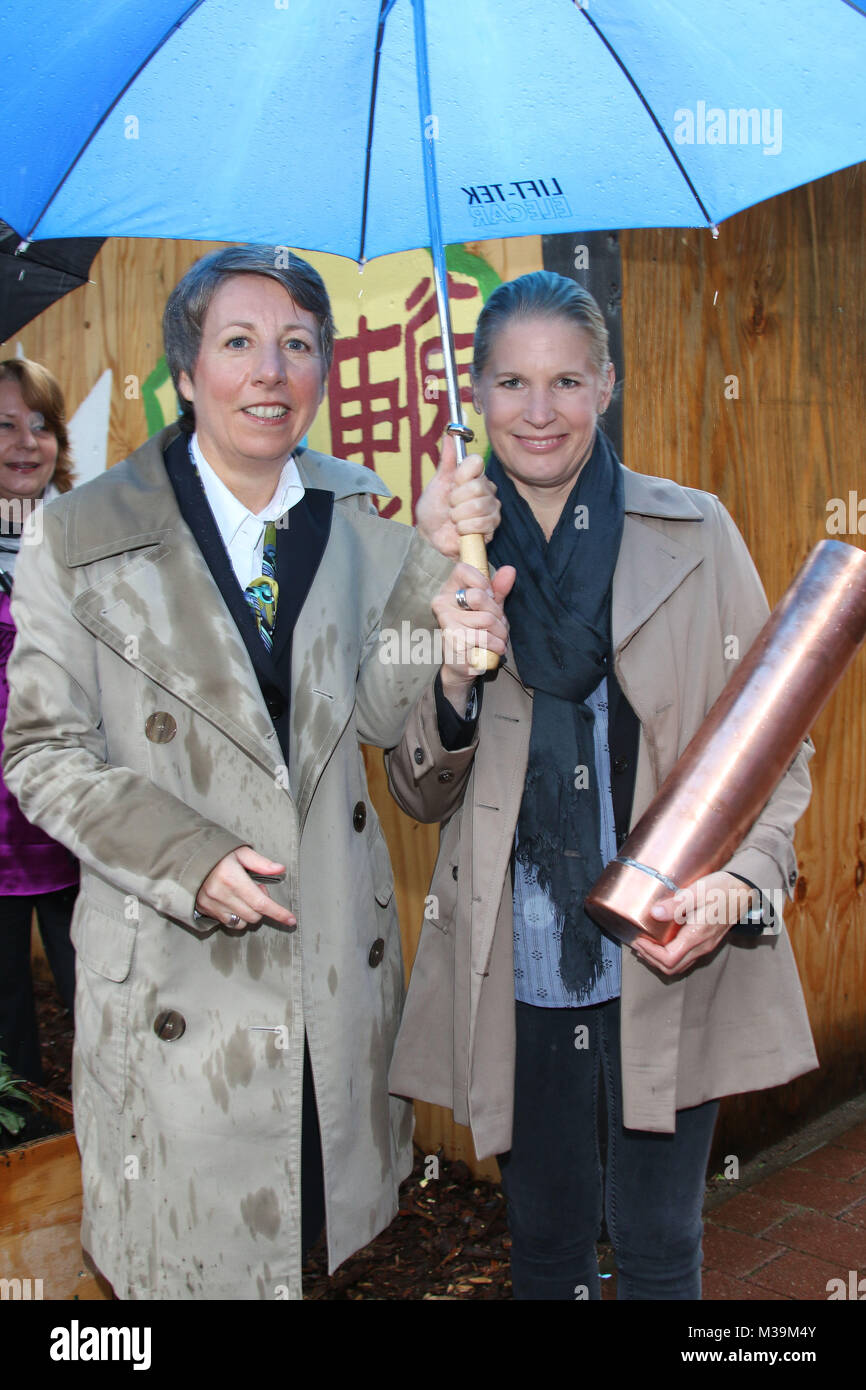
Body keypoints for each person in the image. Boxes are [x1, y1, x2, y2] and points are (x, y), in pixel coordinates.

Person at [2, 245, 509, 1299]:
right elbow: (41, 754)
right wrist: (187, 859)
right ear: (184, 371)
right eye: (236, 343)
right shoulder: (78, 534)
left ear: (323, 369)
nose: (269, 371)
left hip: (328, 973)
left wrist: (448, 656)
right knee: (194, 1260)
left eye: (296, 345)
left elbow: (377, 709)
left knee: (309, 1246)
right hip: (177, 981)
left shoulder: (354, 513)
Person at [387, 271, 818, 1301]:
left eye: (566, 380)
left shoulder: (692, 530)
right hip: (517, 959)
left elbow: (775, 744)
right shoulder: (437, 555)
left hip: (668, 947)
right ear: (476, 397)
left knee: (660, 1243)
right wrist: (452, 667)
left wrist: (741, 886)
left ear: (607, 384)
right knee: (542, 1248)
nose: (538, 411)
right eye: (510, 382)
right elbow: (413, 785)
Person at [0, 359, 78, 1083]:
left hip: (75, 811)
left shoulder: (84, 537)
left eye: (41, 424)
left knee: (100, 995)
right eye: (4, 423)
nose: (26, 442)